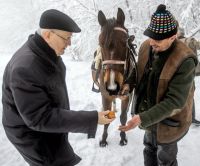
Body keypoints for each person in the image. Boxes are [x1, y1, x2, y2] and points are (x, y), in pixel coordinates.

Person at [2, 9, 115, 166]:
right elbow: (40, 117)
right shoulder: (25, 68)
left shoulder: (46, 51)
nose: (70, 44)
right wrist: (93, 118)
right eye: (67, 38)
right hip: (32, 135)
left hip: (47, 125)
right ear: (48, 35)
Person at [119, 4, 198, 166]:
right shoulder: (146, 47)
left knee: (166, 159)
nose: (152, 42)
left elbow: (175, 101)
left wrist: (142, 118)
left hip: (169, 123)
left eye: (158, 39)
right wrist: (128, 85)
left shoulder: (185, 60)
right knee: (149, 149)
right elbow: (138, 72)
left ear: (172, 37)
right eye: (151, 37)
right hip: (148, 116)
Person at [177, 27, 200, 125]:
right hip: (190, 72)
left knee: (178, 94)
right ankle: (191, 117)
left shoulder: (173, 43)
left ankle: (181, 117)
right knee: (190, 94)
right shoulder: (190, 40)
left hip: (177, 73)